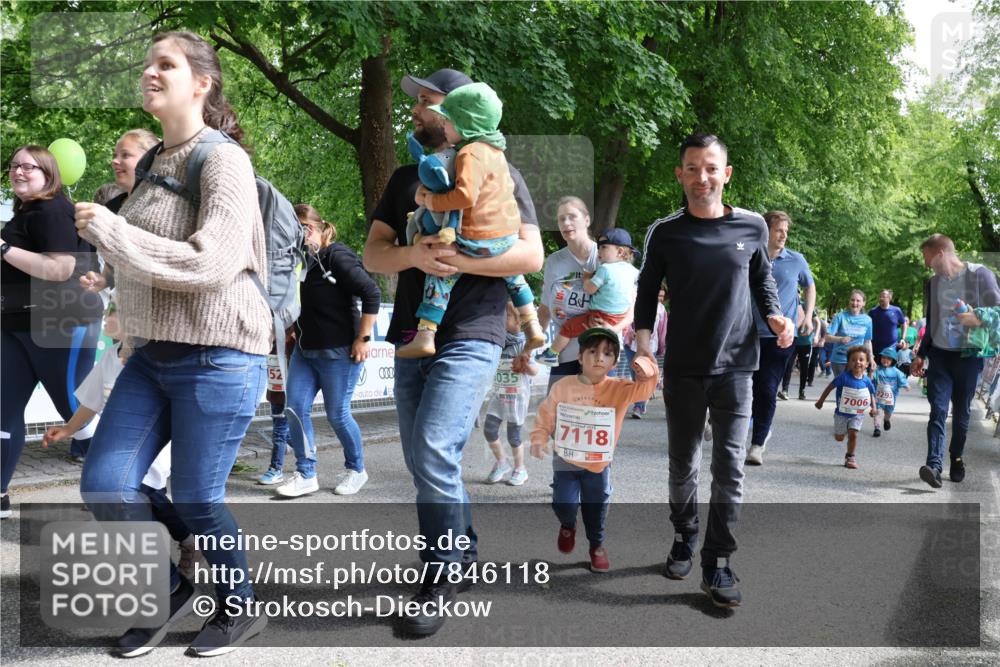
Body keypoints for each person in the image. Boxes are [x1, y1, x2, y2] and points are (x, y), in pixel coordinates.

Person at [74, 31, 271, 657]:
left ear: (201, 83)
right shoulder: (156, 159)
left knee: (196, 497)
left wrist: (114, 232)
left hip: (219, 356)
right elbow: (148, 258)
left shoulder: (223, 160)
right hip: (151, 353)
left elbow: (212, 262)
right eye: (148, 64)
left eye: (167, 64)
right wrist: (110, 262)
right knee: (105, 484)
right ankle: (167, 589)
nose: (151, 73)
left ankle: (241, 606)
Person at [362, 67, 543, 637]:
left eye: (426, 101)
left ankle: (438, 573)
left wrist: (460, 262)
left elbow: (531, 257)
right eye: (416, 101)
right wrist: (414, 257)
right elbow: (372, 255)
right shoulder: (404, 179)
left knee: (436, 446)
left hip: (475, 329)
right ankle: (462, 547)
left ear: (457, 111)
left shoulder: (500, 170)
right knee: (420, 458)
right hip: (414, 334)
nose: (416, 110)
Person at [633, 133, 793, 608]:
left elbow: (761, 278)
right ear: (680, 174)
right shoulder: (666, 231)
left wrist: (776, 314)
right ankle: (685, 534)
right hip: (683, 365)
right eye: (691, 167)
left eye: (710, 167)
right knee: (683, 464)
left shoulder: (752, 228)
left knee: (730, 468)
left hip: (737, 366)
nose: (701, 177)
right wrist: (644, 346)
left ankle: (718, 560)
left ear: (725, 174)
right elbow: (646, 292)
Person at [41, 300, 200, 575]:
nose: (104, 321)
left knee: (151, 497)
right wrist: (68, 429)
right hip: (117, 446)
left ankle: (185, 541)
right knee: (131, 499)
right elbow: (90, 402)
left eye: (110, 314)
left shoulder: (153, 362)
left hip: (150, 447)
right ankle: (158, 567)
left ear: (132, 319)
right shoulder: (109, 358)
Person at [397, 81, 543, 359]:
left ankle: (426, 334)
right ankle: (532, 325)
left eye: (449, 121)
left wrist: (431, 201)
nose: (445, 127)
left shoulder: (469, 152)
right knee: (514, 276)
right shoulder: (496, 152)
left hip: (476, 238)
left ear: (465, 124)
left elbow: (464, 196)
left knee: (440, 271)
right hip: (505, 238)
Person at [1, 145, 103, 518]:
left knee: (75, 408)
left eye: (29, 166)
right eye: (14, 166)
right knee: (2, 410)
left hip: (60, 323)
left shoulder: (53, 209)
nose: (18, 172)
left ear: (49, 173)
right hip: (15, 324)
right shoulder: (26, 212)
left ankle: (123, 489)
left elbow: (59, 269)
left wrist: (3, 248)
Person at [530, 327, 658, 572]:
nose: (599, 357)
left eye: (607, 354)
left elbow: (647, 389)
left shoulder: (620, 388)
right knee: (563, 504)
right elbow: (546, 414)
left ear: (614, 361)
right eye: (592, 351)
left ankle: (596, 545)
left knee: (596, 507)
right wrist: (539, 437)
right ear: (580, 357)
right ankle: (568, 524)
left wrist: (646, 367)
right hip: (565, 462)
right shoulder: (563, 386)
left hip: (598, 465)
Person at [274, 204, 380, 498]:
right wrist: (293, 326)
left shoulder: (337, 256)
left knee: (337, 414)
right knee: (294, 409)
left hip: (340, 353)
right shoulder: (302, 263)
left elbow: (371, 293)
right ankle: (306, 473)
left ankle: (356, 469)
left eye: (301, 230)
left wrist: (364, 338)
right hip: (305, 352)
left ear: (314, 229)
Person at [911, 233, 1000, 488]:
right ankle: (934, 465)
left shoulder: (979, 275)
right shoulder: (933, 283)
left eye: (926, 257)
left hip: (968, 358)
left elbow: (998, 310)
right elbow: (932, 323)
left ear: (939, 253)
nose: (925, 263)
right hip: (939, 357)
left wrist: (977, 317)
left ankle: (957, 458)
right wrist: (921, 354)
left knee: (961, 416)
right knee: (938, 410)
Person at [746, 210, 815, 466]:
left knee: (766, 388)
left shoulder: (796, 260)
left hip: (781, 337)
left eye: (786, 231)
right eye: (778, 230)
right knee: (745, 386)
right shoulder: (750, 256)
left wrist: (807, 316)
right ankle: (723, 422)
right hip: (746, 333)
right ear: (766, 231)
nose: (784, 235)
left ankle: (757, 443)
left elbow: (810, 285)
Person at [536, 228, 639, 366]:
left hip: (599, 316)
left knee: (568, 328)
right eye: (598, 247)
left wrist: (586, 279)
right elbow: (632, 303)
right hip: (618, 319)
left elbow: (590, 289)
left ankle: (552, 354)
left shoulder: (605, 269)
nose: (599, 251)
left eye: (603, 247)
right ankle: (615, 355)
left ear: (620, 251)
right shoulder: (633, 272)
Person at [483, 301, 537, 486]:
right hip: (498, 395)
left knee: (514, 436)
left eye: (503, 316)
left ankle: (520, 469)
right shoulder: (497, 341)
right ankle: (502, 462)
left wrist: (525, 366)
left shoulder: (525, 344)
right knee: (489, 430)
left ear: (518, 321)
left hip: (517, 398)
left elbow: (535, 371)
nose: (498, 319)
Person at [814, 346, 877, 469]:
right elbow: (829, 387)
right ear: (848, 363)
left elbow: (871, 394)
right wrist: (820, 401)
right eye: (853, 360)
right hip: (841, 413)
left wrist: (873, 408)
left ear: (867, 364)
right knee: (839, 438)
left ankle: (850, 456)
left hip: (858, 414)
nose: (857, 362)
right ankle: (843, 431)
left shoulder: (867, 380)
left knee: (853, 434)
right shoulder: (843, 377)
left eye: (861, 360)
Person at [623, 286, 667, 418]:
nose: (659, 299)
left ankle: (639, 406)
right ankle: (641, 399)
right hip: (632, 345)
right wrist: (631, 333)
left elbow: (663, 331)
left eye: (662, 297)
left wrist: (662, 347)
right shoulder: (637, 303)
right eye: (657, 295)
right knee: (634, 376)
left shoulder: (661, 310)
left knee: (642, 376)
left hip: (650, 347)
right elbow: (627, 322)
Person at [826, 289, 874, 377]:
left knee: (854, 387)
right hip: (839, 359)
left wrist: (871, 358)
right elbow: (827, 337)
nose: (854, 303)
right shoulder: (840, 316)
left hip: (857, 360)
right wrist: (840, 339)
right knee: (842, 387)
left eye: (858, 301)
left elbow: (867, 341)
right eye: (852, 300)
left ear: (863, 303)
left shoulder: (867, 320)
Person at [872, 346, 909, 437]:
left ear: (893, 360)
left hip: (891, 398)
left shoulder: (896, 372)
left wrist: (906, 385)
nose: (885, 360)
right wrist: (870, 374)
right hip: (879, 396)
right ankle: (877, 428)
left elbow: (902, 379)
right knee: (878, 411)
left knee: (888, 412)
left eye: (889, 358)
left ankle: (886, 420)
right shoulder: (877, 370)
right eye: (883, 357)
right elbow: (871, 379)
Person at [868, 289, 908, 357]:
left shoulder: (896, 310)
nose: (881, 298)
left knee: (890, 367)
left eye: (884, 296)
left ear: (889, 298)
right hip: (875, 348)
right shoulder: (873, 312)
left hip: (891, 348)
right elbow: (867, 327)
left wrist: (903, 338)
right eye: (880, 296)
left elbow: (904, 324)